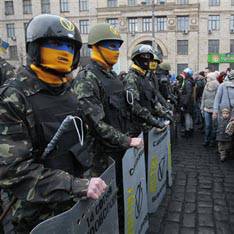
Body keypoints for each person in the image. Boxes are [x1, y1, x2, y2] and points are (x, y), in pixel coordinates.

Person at [0, 14, 106, 233]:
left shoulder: (68, 92)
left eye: (69, 46)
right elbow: (13, 172)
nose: (64, 52)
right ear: (35, 47)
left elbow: (80, 142)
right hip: (39, 216)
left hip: (75, 204)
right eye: (56, 44)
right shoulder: (14, 97)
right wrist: (76, 185)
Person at [72, 23, 143, 232]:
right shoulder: (87, 78)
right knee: (103, 210)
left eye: (117, 46)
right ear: (95, 47)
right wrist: (128, 141)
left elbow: (124, 111)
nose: (116, 51)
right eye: (110, 46)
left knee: (120, 199)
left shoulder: (112, 77)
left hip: (119, 153)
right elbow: (96, 125)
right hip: (100, 159)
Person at [123, 44, 168, 136]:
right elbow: (134, 106)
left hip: (148, 127)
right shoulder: (131, 78)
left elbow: (152, 100)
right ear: (136, 59)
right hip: (137, 130)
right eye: (144, 57)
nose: (147, 60)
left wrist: (163, 113)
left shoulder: (144, 78)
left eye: (149, 57)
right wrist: (153, 121)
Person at [200, 72, 219, 146]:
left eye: (208, 78)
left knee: (214, 126)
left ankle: (212, 141)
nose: (206, 79)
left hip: (214, 110)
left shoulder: (217, 85)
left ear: (211, 78)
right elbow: (203, 97)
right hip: (206, 109)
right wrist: (202, 108)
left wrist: (216, 110)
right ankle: (206, 140)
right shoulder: (206, 85)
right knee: (207, 126)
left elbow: (218, 99)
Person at [178, 67, 195, 137]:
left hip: (187, 102)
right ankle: (190, 129)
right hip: (189, 102)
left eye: (184, 73)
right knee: (189, 116)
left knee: (187, 116)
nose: (183, 74)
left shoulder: (187, 82)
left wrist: (184, 104)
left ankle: (188, 132)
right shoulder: (190, 81)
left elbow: (188, 94)